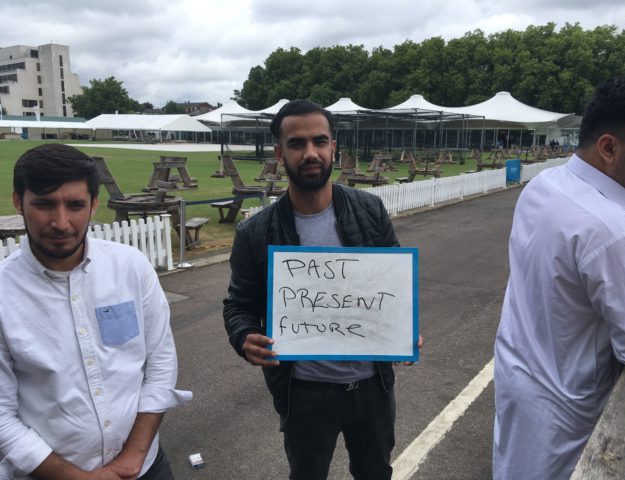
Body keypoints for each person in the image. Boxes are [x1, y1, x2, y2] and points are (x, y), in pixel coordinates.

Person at [223, 99, 421, 480]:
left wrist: (404, 327)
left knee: (376, 472)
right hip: (305, 392)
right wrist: (244, 336)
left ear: (334, 148)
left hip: (372, 386)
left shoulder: (370, 211)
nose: (310, 153)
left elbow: (394, 284)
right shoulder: (255, 233)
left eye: (320, 141)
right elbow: (238, 304)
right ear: (280, 153)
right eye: (297, 144)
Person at [0, 144, 192, 479]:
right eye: (44, 204)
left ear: (94, 204)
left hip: (144, 467)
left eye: (75, 205)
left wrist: (133, 458)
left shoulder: (130, 267)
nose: (61, 223)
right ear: (19, 201)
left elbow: (160, 364)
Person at [493, 77, 625, 480]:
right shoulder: (611, 229)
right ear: (609, 147)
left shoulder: (544, 185)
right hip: (567, 400)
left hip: (521, 371)